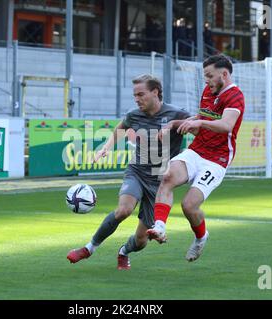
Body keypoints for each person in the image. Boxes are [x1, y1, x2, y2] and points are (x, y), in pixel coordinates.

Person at [67, 74, 191, 270]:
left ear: (155, 92)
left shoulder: (177, 114)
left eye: (141, 94)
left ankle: (124, 251)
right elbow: (121, 128)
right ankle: (89, 248)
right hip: (137, 171)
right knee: (124, 210)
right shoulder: (134, 114)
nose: (137, 99)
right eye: (135, 95)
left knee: (141, 240)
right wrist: (106, 147)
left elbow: (198, 125)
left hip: (160, 183)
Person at [146, 54, 245, 263]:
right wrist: (174, 124)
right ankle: (159, 228)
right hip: (197, 150)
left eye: (209, 76)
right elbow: (201, 118)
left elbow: (226, 125)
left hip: (217, 159)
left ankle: (201, 237)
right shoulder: (208, 91)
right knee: (167, 176)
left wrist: (199, 124)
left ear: (224, 74)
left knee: (189, 205)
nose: (206, 80)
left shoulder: (235, 96)